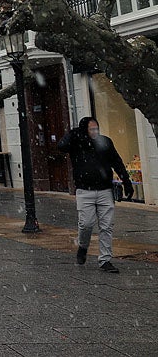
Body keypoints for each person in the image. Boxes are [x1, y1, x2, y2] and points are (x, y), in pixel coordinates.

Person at [58, 116, 133, 273]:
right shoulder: (76, 142)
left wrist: (126, 181)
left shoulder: (104, 142)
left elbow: (117, 162)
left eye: (96, 128)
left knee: (106, 226)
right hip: (85, 191)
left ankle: (105, 260)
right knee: (86, 224)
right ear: (84, 130)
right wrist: (73, 133)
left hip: (105, 190)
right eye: (91, 129)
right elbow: (61, 146)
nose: (95, 132)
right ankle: (83, 247)